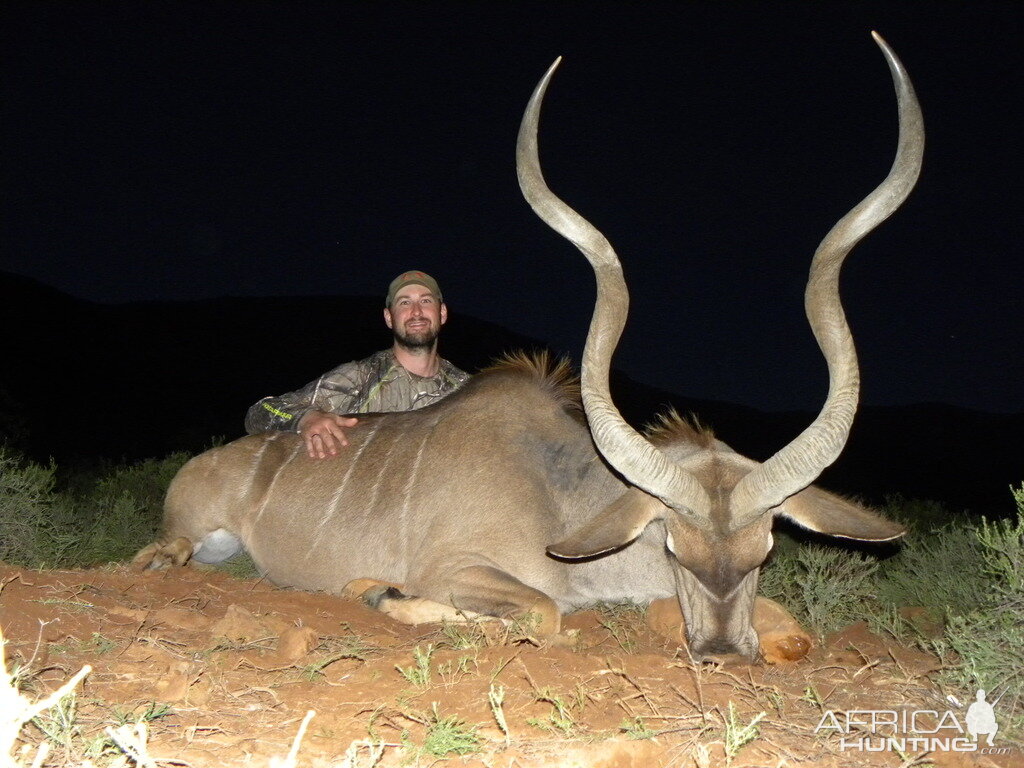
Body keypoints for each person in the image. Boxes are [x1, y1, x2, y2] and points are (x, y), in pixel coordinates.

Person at [245, 270, 469, 458]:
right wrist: (305, 418)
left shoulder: (466, 389)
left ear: (442, 313)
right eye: (405, 302)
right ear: (389, 318)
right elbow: (260, 412)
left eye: (426, 300)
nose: (416, 312)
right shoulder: (359, 378)